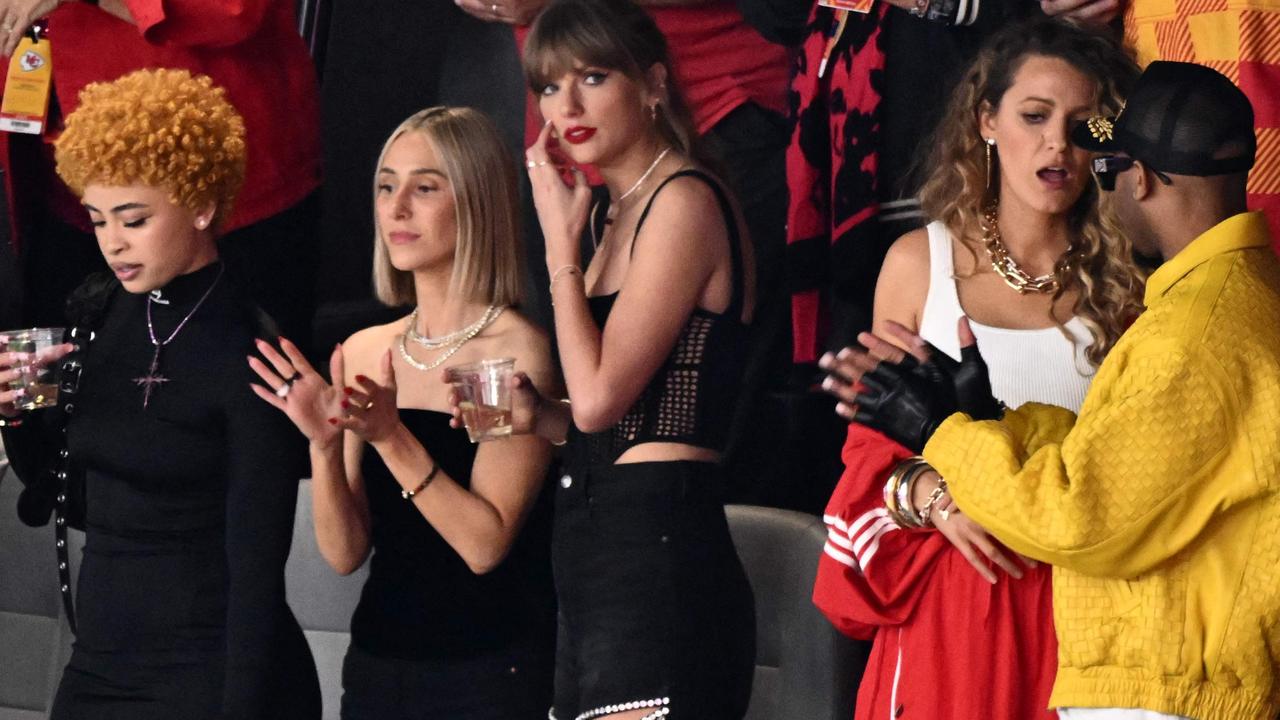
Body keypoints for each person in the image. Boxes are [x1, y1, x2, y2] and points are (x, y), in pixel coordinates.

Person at [848, 61, 1280, 720]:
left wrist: (948, 436)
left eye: (1102, 163)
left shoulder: (1192, 335)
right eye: (1034, 116)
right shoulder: (1228, 301)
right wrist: (996, 421)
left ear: (1136, 176)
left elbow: (1075, 518)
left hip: (1169, 693)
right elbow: (1117, 459)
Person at [813, 18, 1144, 720]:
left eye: (1082, 124)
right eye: (1034, 115)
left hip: (1080, 613)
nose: (1058, 142)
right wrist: (937, 496)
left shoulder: (1127, 285)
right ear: (987, 121)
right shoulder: (916, 264)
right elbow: (871, 453)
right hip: (953, 604)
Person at [0, 68, 319, 720]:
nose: (113, 242)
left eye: (134, 219)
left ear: (200, 204)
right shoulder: (93, 315)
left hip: (206, 671)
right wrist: (14, 405)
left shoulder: (250, 347)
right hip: (98, 664)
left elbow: (257, 573)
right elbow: (50, 486)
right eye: (98, 219)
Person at [493, 1, 759, 717]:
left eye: (593, 77)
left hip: (658, 552)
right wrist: (542, 417)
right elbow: (604, 416)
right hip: (594, 550)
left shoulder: (683, 200)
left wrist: (557, 251)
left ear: (653, 85)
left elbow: (605, 400)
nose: (566, 105)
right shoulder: (617, 212)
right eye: (548, 86)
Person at [249, 106, 557, 720]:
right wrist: (324, 447)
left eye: (424, 187)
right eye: (386, 186)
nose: (396, 209)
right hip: (378, 662)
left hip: (484, 668)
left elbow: (482, 544)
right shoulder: (368, 348)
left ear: (474, 202)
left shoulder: (504, 352)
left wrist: (391, 437)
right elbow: (343, 555)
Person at [0, 0, 320, 345]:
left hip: (209, 190)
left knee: (241, 376)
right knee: (51, 381)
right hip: (53, 179)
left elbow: (231, 9)